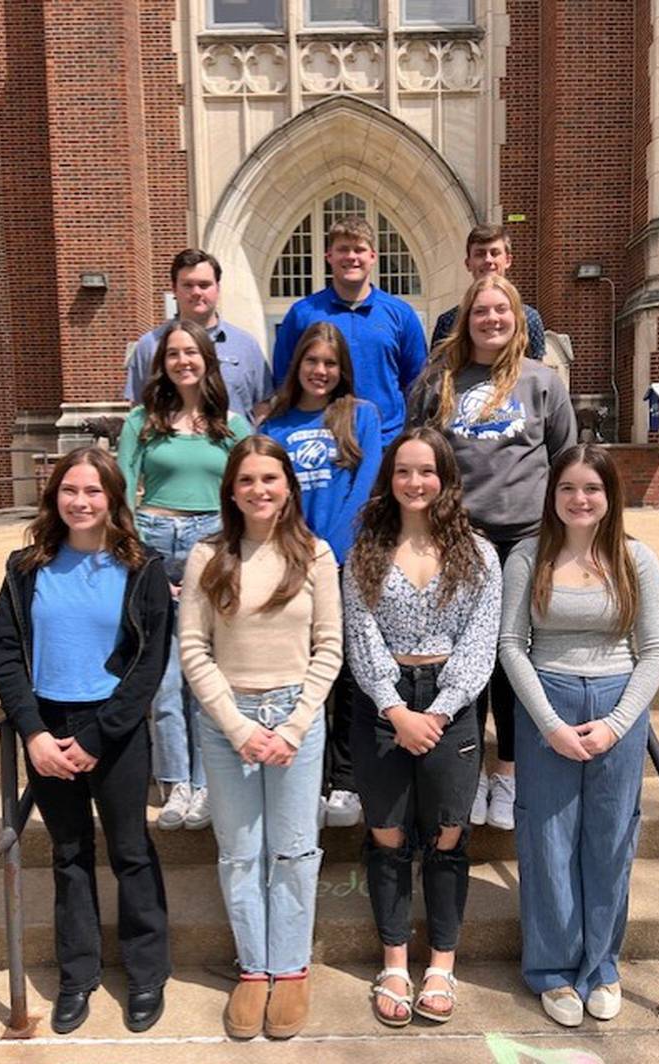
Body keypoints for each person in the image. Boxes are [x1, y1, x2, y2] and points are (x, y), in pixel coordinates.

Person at [0, 447, 172, 1035]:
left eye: (94, 491)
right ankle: (78, 976)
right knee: (68, 856)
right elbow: (6, 652)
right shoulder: (26, 568)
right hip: (47, 728)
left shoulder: (142, 569)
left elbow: (148, 664)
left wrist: (97, 736)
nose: (82, 501)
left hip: (112, 731)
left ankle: (146, 975)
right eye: (71, 490)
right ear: (55, 497)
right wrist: (35, 733)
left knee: (131, 851)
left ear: (114, 499)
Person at [498, 444, 659, 1027]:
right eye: (568, 488)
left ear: (609, 496)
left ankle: (600, 965)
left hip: (618, 707)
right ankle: (551, 969)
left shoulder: (635, 560)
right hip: (547, 701)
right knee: (547, 841)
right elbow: (510, 645)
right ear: (553, 495)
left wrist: (618, 725)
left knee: (610, 838)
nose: (579, 499)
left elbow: (655, 651)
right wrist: (549, 723)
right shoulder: (528, 556)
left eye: (591, 489)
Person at [179, 435, 342, 1040]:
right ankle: (254, 969)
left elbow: (330, 648)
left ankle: (291, 968)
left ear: (288, 487)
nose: (259, 490)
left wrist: (293, 726)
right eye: (246, 480)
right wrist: (239, 725)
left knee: (294, 849)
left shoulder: (316, 555)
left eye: (269, 479)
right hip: (229, 722)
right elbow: (193, 650)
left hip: (297, 715)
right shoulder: (208, 556)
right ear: (231, 490)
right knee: (240, 851)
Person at [343, 427, 501, 1027]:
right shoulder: (366, 550)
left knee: (447, 836)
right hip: (382, 706)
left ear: (446, 479)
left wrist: (437, 711)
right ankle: (393, 961)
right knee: (386, 834)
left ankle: (441, 963)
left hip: (451, 703)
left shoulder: (479, 554)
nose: (415, 482)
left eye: (427, 471)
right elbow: (361, 635)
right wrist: (396, 709)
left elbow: (481, 641)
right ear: (389, 478)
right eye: (404, 471)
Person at [407, 275, 576, 831]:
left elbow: (565, 461)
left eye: (502, 310)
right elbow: (416, 454)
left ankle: (507, 769)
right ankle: (468, 769)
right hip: (459, 541)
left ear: (517, 318)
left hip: (525, 541)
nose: (492, 319)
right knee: (461, 662)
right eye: (481, 311)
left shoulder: (542, 381)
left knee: (509, 660)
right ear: (466, 318)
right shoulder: (439, 380)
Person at [117, 319, 251, 830]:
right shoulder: (141, 422)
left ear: (206, 361)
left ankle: (208, 784)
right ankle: (177, 785)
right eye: (172, 354)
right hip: (154, 544)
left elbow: (250, 494)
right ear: (161, 363)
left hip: (213, 551)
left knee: (206, 675)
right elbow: (122, 495)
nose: (182, 362)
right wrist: (143, 568)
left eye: (191, 353)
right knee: (166, 678)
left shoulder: (233, 427)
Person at [263, 321, 382, 827]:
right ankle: (309, 777)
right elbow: (267, 495)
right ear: (298, 365)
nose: (320, 371)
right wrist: (298, 553)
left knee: (351, 674)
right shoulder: (274, 425)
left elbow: (366, 485)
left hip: (345, 563)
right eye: (312, 361)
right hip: (290, 565)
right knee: (302, 672)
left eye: (330, 364)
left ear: (342, 371)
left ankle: (347, 780)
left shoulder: (361, 416)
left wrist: (333, 551)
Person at [271, 216, 427, 447]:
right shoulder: (302, 314)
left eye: (359, 249)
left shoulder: (401, 314)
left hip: (386, 442)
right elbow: (285, 379)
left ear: (373, 256)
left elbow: (416, 383)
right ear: (329, 256)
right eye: (343, 249)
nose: (351, 257)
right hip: (321, 441)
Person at [124, 248, 273, 420]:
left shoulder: (246, 345)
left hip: (235, 445)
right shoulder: (150, 345)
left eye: (204, 285)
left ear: (217, 287)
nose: (196, 292)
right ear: (174, 289)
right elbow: (139, 409)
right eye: (188, 285)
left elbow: (262, 407)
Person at [430, 223, 545, 359]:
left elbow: (538, 373)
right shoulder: (448, 321)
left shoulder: (529, 318)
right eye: (480, 254)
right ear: (468, 264)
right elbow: (438, 372)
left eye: (495, 253)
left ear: (508, 260)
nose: (488, 260)